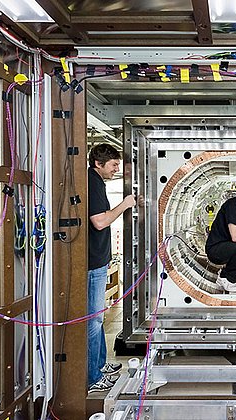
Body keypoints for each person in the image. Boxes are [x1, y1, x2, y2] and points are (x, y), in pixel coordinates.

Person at [87, 144, 136, 392]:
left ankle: (101, 365)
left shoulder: (96, 182)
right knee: (93, 321)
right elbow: (100, 221)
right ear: (98, 163)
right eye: (114, 165)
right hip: (92, 264)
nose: (117, 169)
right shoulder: (92, 182)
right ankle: (93, 378)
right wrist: (125, 204)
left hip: (98, 261)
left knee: (98, 318)